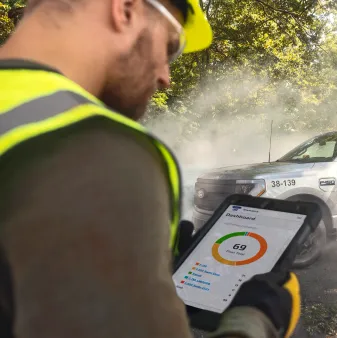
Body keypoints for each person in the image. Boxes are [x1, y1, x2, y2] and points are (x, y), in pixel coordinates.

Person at [0, 1, 300, 338]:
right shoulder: (99, 152)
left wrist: (146, 274)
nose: (166, 78)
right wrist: (255, 319)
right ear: (125, 10)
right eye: (169, 48)